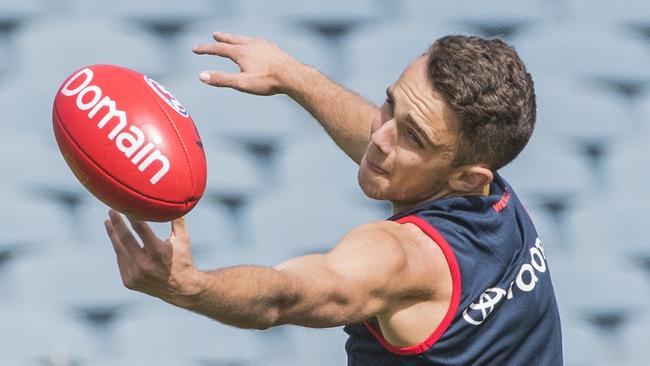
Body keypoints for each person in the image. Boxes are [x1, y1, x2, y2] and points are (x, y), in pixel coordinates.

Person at [105, 32, 562, 365]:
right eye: (391, 103)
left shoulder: (404, 258)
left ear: (464, 177)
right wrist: (295, 77)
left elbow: (286, 296)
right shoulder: (491, 193)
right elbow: (382, 138)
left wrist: (193, 287)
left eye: (413, 137)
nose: (380, 137)